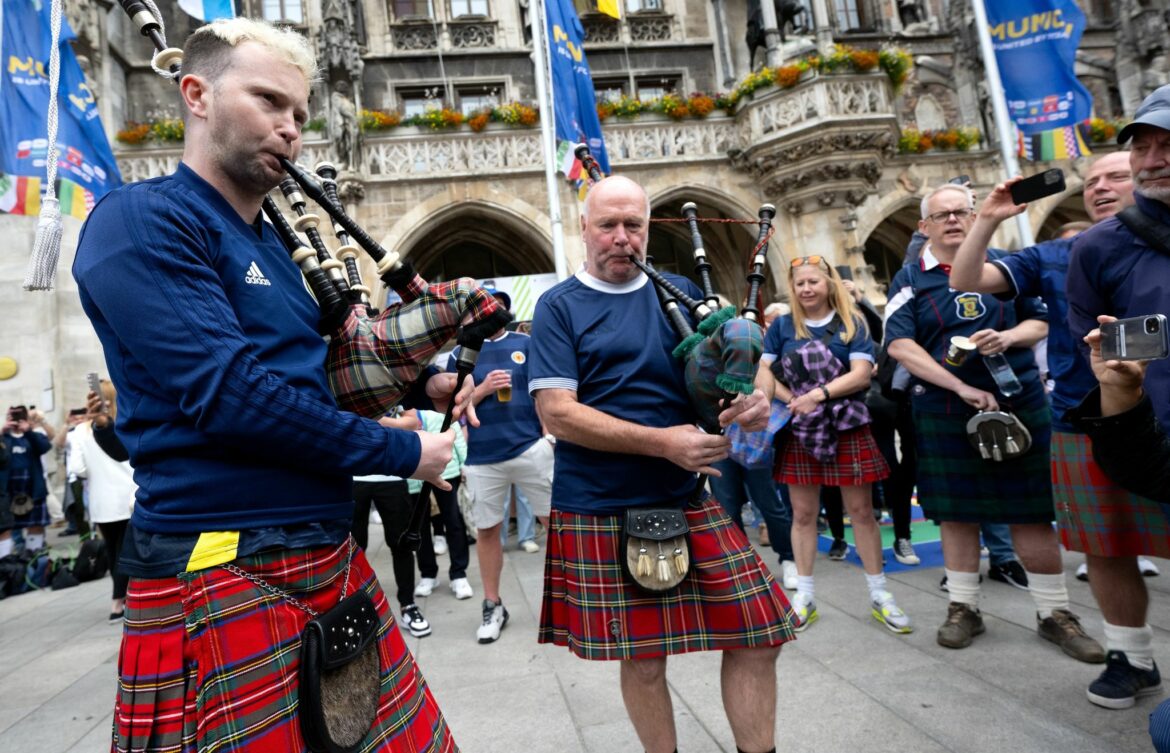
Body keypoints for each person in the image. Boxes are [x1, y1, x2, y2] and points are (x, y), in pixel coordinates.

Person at [72, 18, 461, 752]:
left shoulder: (278, 249)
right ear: (196, 94)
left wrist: (424, 388)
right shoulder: (141, 221)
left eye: (300, 115)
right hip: (217, 559)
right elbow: (235, 399)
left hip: (322, 544)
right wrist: (403, 454)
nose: (290, 129)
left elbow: (312, 380)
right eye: (268, 102)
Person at [530, 175, 794, 753]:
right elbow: (558, 415)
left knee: (760, 635)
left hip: (685, 496)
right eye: (608, 226)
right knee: (646, 662)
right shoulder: (558, 306)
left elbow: (741, 371)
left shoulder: (678, 292)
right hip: (601, 505)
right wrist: (663, 443)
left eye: (634, 226)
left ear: (649, 230)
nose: (621, 238)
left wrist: (751, 399)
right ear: (584, 229)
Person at [949, 150, 1167, 705]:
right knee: (1106, 544)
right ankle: (1131, 657)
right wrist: (989, 218)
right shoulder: (1059, 254)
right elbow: (966, 278)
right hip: (1084, 417)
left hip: (1164, 411)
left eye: (1115, 175)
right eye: (1091, 180)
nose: (1101, 187)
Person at [884, 183, 1104, 662]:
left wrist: (1006, 337)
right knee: (957, 514)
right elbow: (900, 346)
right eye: (941, 215)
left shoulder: (1004, 265)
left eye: (962, 211)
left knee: (1030, 513)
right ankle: (964, 608)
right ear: (924, 227)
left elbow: (1041, 323)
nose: (953, 220)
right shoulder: (908, 279)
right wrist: (959, 386)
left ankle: (1055, 614)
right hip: (944, 408)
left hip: (1017, 400)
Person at [1066, 87, 1170, 707]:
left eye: (1168, 145)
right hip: (1148, 435)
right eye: (1143, 147)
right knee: (1109, 546)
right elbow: (1097, 364)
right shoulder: (1098, 247)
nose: (1154, 159)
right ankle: (1132, 656)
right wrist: (1121, 390)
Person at [761, 256, 911, 634]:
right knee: (804, 514)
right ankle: (805, 597)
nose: (806, 289)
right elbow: (760, 370)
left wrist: (818, 395)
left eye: (813, 281)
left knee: (861, 512)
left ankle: (880, 595)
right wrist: (790, 398)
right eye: (799, 284)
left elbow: (861, 376)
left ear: (828, 283)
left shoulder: (852, 323)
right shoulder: (782, 326)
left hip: (846, 424)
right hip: (801, 426)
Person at [447, 288, 553, 644]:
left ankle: (568, 597)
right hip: (482, 457)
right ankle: (493, 604)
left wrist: (549, 436)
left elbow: (543, 393)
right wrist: (482, 390)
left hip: (529, 448)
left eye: (496, 307)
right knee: (488, 531)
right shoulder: (461, 353)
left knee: (555, 522)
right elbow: (454, 410)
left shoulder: (526, 342)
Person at [69, 381, 134, 621]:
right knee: (126, 552)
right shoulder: (124, 425)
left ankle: (117, 601)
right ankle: (124, 599)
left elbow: (78, 468)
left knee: (112, 549)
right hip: (128, 496)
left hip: (101, 499)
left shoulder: (80, 432)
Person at [2, 406, 53, 557]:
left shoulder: (32, 436)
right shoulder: (4, 438)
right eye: (11, 417)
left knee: (35, 526)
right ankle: (8, 565)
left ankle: (34, 558)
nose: (15, 421)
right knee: (5, 529)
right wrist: (1, 432)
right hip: (8, 492)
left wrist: (28, 431)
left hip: (33, 490)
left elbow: (45, 447)